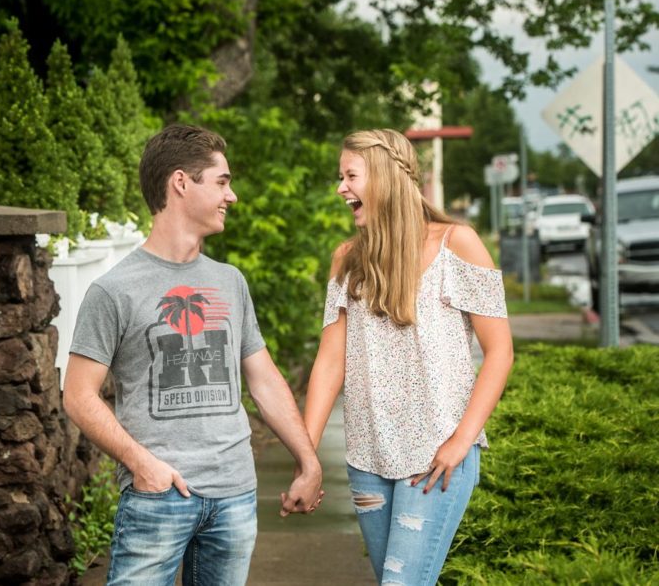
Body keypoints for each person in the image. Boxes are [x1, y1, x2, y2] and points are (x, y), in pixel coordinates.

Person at [63, 124, 323, 585]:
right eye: (222, 182)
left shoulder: (230, 281)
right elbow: (78, 395)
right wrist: (142, 464)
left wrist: (308, 460)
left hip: (236, 494)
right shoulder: (113, 290)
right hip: (158, 497)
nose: (232, 196)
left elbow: (262, 379)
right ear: (181, 183)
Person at [304, 128, 514, 586]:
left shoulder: (456, 244)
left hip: (436, 454)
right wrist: (308, 453)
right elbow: (330, 362)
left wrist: (462, 441)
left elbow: (500, 352)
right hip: (368, 456)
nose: (341, 188)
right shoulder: (347, 259)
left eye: (350, 175)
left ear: (382, 177)